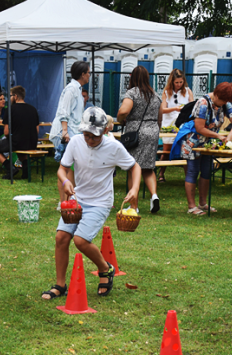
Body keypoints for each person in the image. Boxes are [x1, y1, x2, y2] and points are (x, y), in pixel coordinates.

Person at [41, 107, 140, 300]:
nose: (89, 140)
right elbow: (62, 169)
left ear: (104, 131)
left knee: (80, 240)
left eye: (93, 136)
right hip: (78, 199)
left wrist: (134, 189)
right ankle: (60, 286)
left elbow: (134, 167)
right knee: (61, 238)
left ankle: (105, 269)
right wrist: (66, 181)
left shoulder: (114, 147)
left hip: (100, 202)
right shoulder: (76, 142)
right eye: (86, 135)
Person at [177, 82, 232, 215]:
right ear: (216, 94)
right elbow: (200, 128)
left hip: (209, 143)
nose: (223, 104)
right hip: (193, 142)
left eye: (226, 101)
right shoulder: (203, 103)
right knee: (193, 172)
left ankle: (203, 203)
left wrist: (230, 135)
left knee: (206, 172)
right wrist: (219, 136)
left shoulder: (225, 103)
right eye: (222, 100)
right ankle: (191, 206)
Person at [117, 65, 163, 214]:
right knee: (148, 167)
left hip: (137, 132)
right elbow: (160, 116)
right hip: (153, 131)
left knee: (133, 167)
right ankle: (154, 196)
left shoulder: (132, 93)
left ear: (133, 77)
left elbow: (124, 110)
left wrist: (121, 118)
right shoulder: (155, 95)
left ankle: (133, 206)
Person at [50, 61, 89, 208]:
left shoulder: (77, 89)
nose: (90, 75)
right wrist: (65, 132)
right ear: (82, 74)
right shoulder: (71, 89)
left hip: (72, 133)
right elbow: (63, 112)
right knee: (65, 168)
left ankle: (68, 200)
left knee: (69, 168)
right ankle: (64, 203)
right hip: (65, 134)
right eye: (88, 73)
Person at [0, 86, 39, 180]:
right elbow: (37, 130)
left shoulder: (10, 109)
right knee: (21, 151)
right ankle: (25, 172)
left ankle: (11, 168)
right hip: (32, 143)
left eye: (10, 96)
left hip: (16, 142)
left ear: (15, 96)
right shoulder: (33, 109)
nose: (9, 98)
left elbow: (6, 132)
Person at [158, 69, 193, 183]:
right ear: (172, 81)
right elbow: (163, 109)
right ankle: (161, 174)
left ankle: (188, 177)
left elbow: (192, 106)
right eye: (176, 82)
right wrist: (175, 108)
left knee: (185, 149)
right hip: (169, 123)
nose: (178, 85)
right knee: (166, 150)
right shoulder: (166, 92)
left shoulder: (188, 91)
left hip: (183, 123)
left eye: (181, 82)